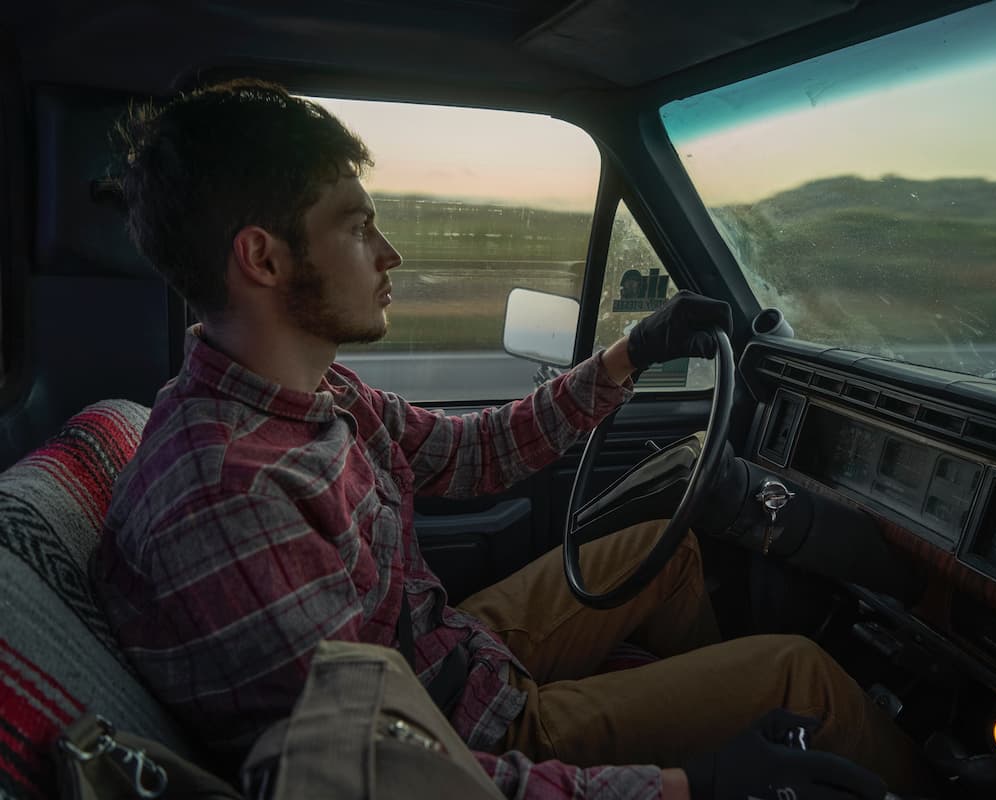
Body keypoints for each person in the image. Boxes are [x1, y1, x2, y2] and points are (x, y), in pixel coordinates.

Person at [93, 80, 920, 800]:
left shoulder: (312, 396)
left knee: (667, 553)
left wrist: (631, 354)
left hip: (448, 662)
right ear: (263, 259)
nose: (391, 252)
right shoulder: (235, 498)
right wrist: (683, 787)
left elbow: (472, 452)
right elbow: (389, 777)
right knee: (800, 674)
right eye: (356, 226)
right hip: (464, 739)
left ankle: (734, 734)